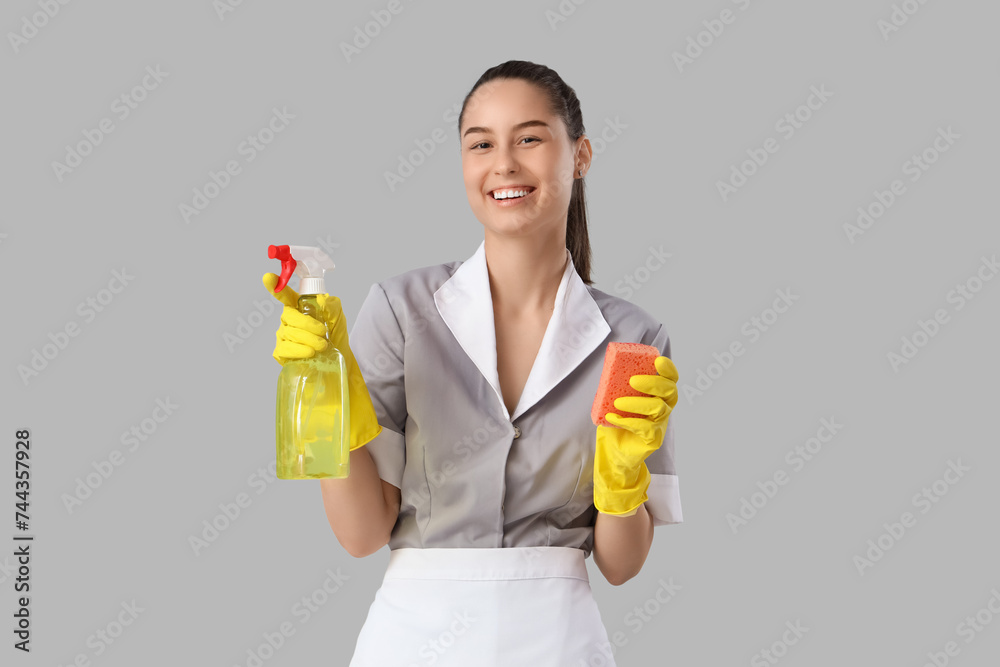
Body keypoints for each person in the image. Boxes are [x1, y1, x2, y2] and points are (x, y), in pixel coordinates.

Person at [262, 60, 683, 666]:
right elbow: (360, 537)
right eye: (481, 144)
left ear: (581, 153)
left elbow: (621, 565)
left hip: (557, 641)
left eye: (530, 138)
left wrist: (620, 486)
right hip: (412, 641)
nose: (504, 164)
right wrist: (329, 402)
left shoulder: (635, 339)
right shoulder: (399, 311)